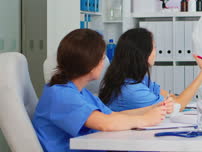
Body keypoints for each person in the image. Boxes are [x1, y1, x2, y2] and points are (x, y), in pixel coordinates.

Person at [32, 29, 168, 152]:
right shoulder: (60, 95)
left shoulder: (78, 92)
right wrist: (145, 119)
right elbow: (106, 124)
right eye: (102, 58)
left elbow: (111, 116)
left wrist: (152, 109)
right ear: (89, 64)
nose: (104, 63)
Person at [99, 27, 202, 112]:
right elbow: (178, 105)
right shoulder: (132, 89)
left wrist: (172, 102)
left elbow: (174, 99)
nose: (156, 51)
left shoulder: (138, 79)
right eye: (154, 47)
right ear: (143, 53)